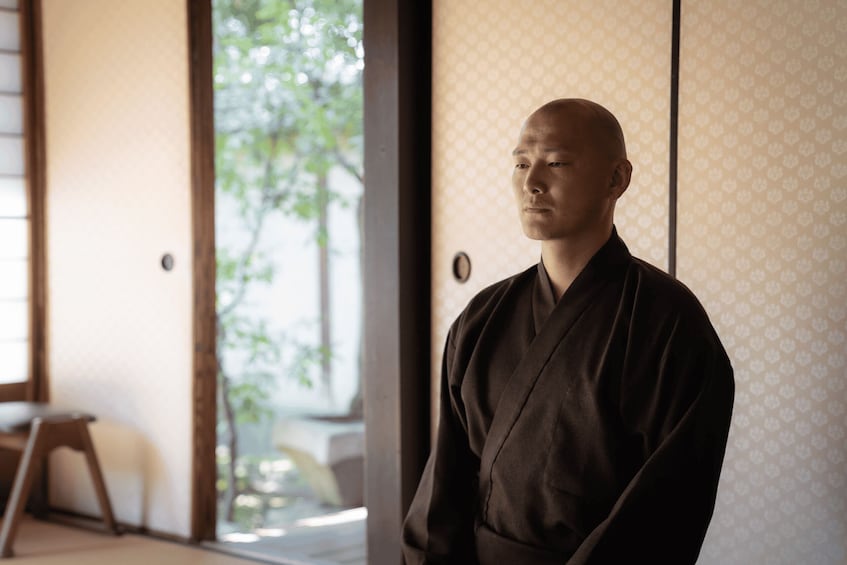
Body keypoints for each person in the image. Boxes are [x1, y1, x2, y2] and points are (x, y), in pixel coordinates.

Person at [401, 98, 735, 564]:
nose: (531, 183)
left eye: (555, 163)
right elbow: (445, 484)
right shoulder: (483, 318)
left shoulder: (667, 321)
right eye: (521, 163)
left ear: (617, 179)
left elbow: (667, 506)